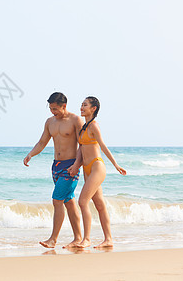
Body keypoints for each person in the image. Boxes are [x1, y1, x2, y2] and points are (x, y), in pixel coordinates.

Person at [23, 92, 83, 248]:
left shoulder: (76, 120)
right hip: (56, 167)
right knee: (69, 202)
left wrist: (77, 164)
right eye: (50, 108)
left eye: (55, 109)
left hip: (71, 166)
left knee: (57, 200)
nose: (53, 112)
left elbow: (83, 145)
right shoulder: (50, 122)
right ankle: (78, 238)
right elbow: (42, 142)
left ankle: (53, 239)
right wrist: (31, 154)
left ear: (64, 106)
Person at [76, 96, 126, 248]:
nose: (81, 107)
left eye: (85, 105)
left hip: (97, 166)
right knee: (99, 204)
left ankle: (86, 239)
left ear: (93, 108)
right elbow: (81, 149)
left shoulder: (94, 126)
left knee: (82, 201)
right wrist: (76, 165)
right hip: (87, 168)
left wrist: (115, 165)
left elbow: (103, 146)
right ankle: (108, 239)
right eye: (81, 104)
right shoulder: (84, 127)